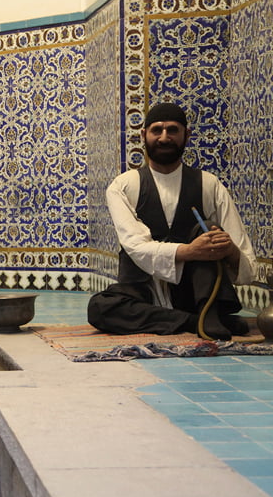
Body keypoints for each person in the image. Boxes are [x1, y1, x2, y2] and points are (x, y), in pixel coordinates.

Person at [87, 103, 258, 341]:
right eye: (157, 130)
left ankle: (205, 312)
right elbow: (136, 245)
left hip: (194, 293)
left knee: (209, 230)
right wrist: (189, 251)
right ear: (143, 135)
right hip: (141, 291)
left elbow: (247, 266)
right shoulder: (123, 186)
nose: (164, 137)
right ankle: (195, 321)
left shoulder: (209, 185)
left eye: (173, 130)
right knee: (100, 308)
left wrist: (228, 249)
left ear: (187, 135)